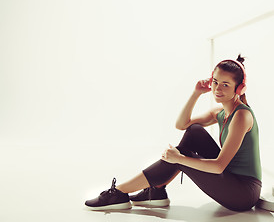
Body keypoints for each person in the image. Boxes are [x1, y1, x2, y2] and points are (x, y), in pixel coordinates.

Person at [85, 54, 262, 212]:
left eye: (225, 84)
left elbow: (219, 166)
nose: (217, 89)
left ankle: (119, 192)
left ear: (239, 89)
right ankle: (157, 190)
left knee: (182, 155)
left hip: (243, 193)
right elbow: (182, 125)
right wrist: (196, 93)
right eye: (215, 82)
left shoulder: (241, 116)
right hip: (232, 179)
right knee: (194, 131)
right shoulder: (220, 113)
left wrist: (179, 159)